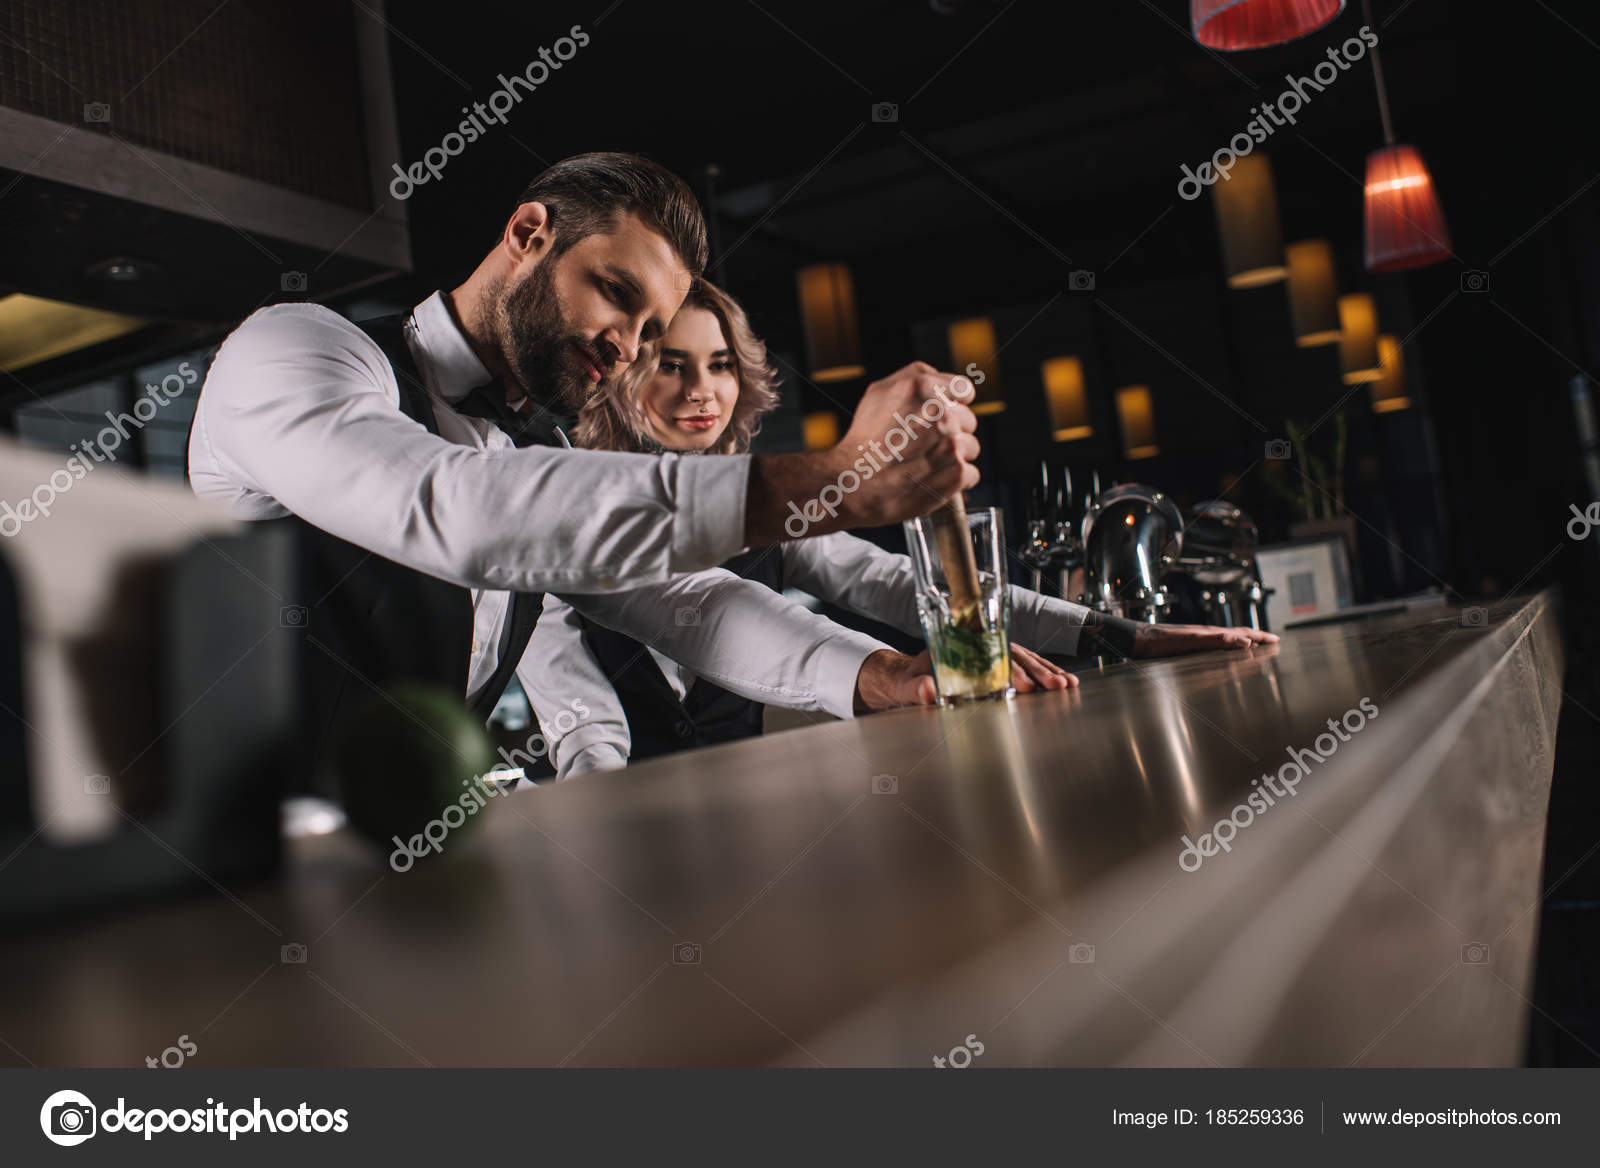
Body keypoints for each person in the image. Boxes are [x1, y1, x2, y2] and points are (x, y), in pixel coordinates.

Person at [188, 152, 983, 787]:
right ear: (530, 233)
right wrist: (833, 478)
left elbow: (688, 601)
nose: (627, 346)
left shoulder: (538, 451)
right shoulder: (295, 348)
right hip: (229, 875)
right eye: (614, 291)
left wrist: (881, 675)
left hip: (413, 865)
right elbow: (455, 511)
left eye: (648, 328)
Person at [523, 279, 1277, 779]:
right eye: (671, 365)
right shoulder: (568, 517)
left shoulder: (774, 512)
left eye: (719, 365)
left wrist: (1126, 637)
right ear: (620, 379)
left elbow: (892, 582)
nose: (701, 391)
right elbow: (578, 715)